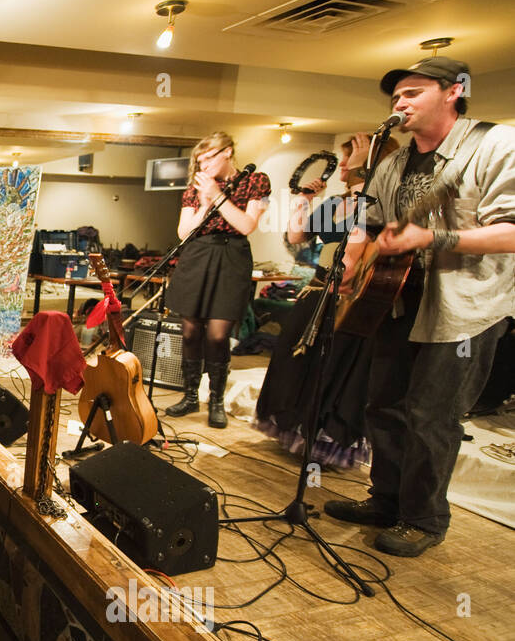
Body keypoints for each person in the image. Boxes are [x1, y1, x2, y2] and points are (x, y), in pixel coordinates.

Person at [323, 56, 515, 557]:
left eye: (413, 92)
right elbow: (371, 221)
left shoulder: (496, 143)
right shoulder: (393, 162)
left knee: (431, 416)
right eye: (396, 97)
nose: (400, 103)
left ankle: (424, 518)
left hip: (465, 309)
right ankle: (385, 499)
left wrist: (433, 236)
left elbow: (511, 232)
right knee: (382, 406)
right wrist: (352, 261)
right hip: (394, 299)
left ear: (454, 91)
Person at [253, 132, 398, 468]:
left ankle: (321, 440)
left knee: (327, 368)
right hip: (318, 288)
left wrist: (366, 175)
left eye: (350, 158)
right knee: (297, 363)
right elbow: (297, 237)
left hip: (345, 299)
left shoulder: (376, 203)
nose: (342, 164)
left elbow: (353, 257)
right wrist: (304, 199)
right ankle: (297, 429)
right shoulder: (339, 200)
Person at [163, 132, 272, 428]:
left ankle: (216, 400)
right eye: (199, 161)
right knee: (189, 331)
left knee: (217, 334)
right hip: (198, 254)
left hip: (232, 255)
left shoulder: (256, 181)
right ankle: (188, 396)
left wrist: (217, 196)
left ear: (227, 152)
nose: (204, 165)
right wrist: (203, 200)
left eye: (209, 158)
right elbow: (184, 232)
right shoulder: (196, 187)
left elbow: (246, 225)